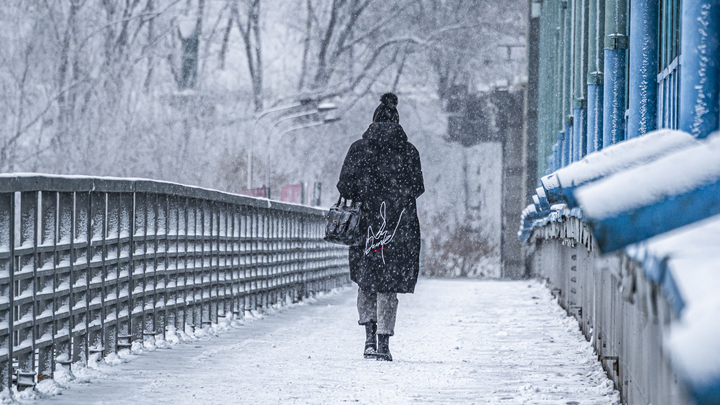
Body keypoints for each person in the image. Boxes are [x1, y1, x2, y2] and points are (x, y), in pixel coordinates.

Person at [336, 92, 424, 361]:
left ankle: (369, 340)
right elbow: (417, 188)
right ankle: (385, 343)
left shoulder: (359, 148)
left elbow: (344, 186)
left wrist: (368, 190)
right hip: (398, 225)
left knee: (366, 279)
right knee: (389, 282)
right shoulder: (409, 151)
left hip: (366, 223)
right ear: (397, 121)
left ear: (373, 121)